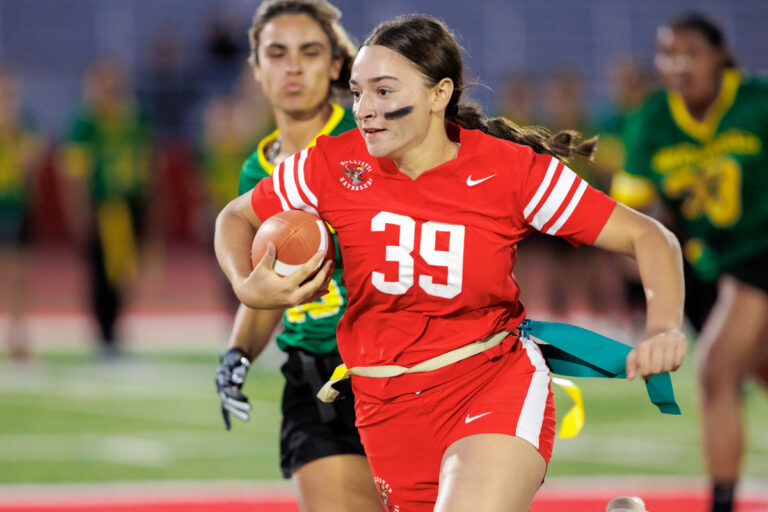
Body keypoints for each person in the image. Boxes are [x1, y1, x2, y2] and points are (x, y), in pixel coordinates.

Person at [215, 14, 687, 512]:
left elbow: (649, 236)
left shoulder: (509, 170)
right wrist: (247, 285)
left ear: (439, 94)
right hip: (383, 408)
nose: (364, 111)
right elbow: (235, 216)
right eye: (357, 93)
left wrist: (662, 328)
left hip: (488, 383)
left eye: (383, 92)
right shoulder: (333, 164)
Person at [212, 2, 381, 511]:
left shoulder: (371, 140)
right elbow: (263, 287)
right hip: (314, 378)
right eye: (277, 53)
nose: (292, 67)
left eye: (309, 52)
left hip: (393, 364)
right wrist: (237, 353)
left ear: (335, 64)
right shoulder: (255, 173)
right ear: (256, 69)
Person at [610, 13, 768, 512]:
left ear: (720, 56)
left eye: (690, 52)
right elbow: (632, 214)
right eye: (667, 54)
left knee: (716, 371)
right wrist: (651, 254)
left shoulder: (758, 104)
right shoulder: (653, 118)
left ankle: (721, 504)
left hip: (760, 252)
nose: (677, 64)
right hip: (711, 268)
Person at [58, 60, 154, 357]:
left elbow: (148, 164)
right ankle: (104, 334)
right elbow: (74, 173)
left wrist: (151, 205)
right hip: (104, 205)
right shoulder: (85, 123)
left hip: (130, 202)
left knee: (124, 271)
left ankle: (114, 331)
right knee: (102, 272)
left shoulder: (134, 118)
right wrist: (80, 209)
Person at [0, 68, 44, 360]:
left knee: (17, 276)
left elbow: (32, 165)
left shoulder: (24, 125)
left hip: (14, 206)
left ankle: (18, 337)